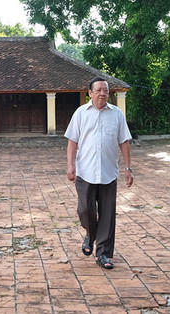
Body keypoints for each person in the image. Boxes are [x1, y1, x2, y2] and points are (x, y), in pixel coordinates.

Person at [65, 78, 133, 270]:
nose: (103, 93)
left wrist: (128, 168)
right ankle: (90, 234)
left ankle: (103, 253)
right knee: (85, 210)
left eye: (106, 90)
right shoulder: (80, 113)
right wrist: (70, 166)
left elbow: (124, 141)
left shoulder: (117, 114)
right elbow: (72, 142)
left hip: (108, 172)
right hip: (85, 171)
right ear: (90, 93)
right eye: (99, 90)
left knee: (108, 215)